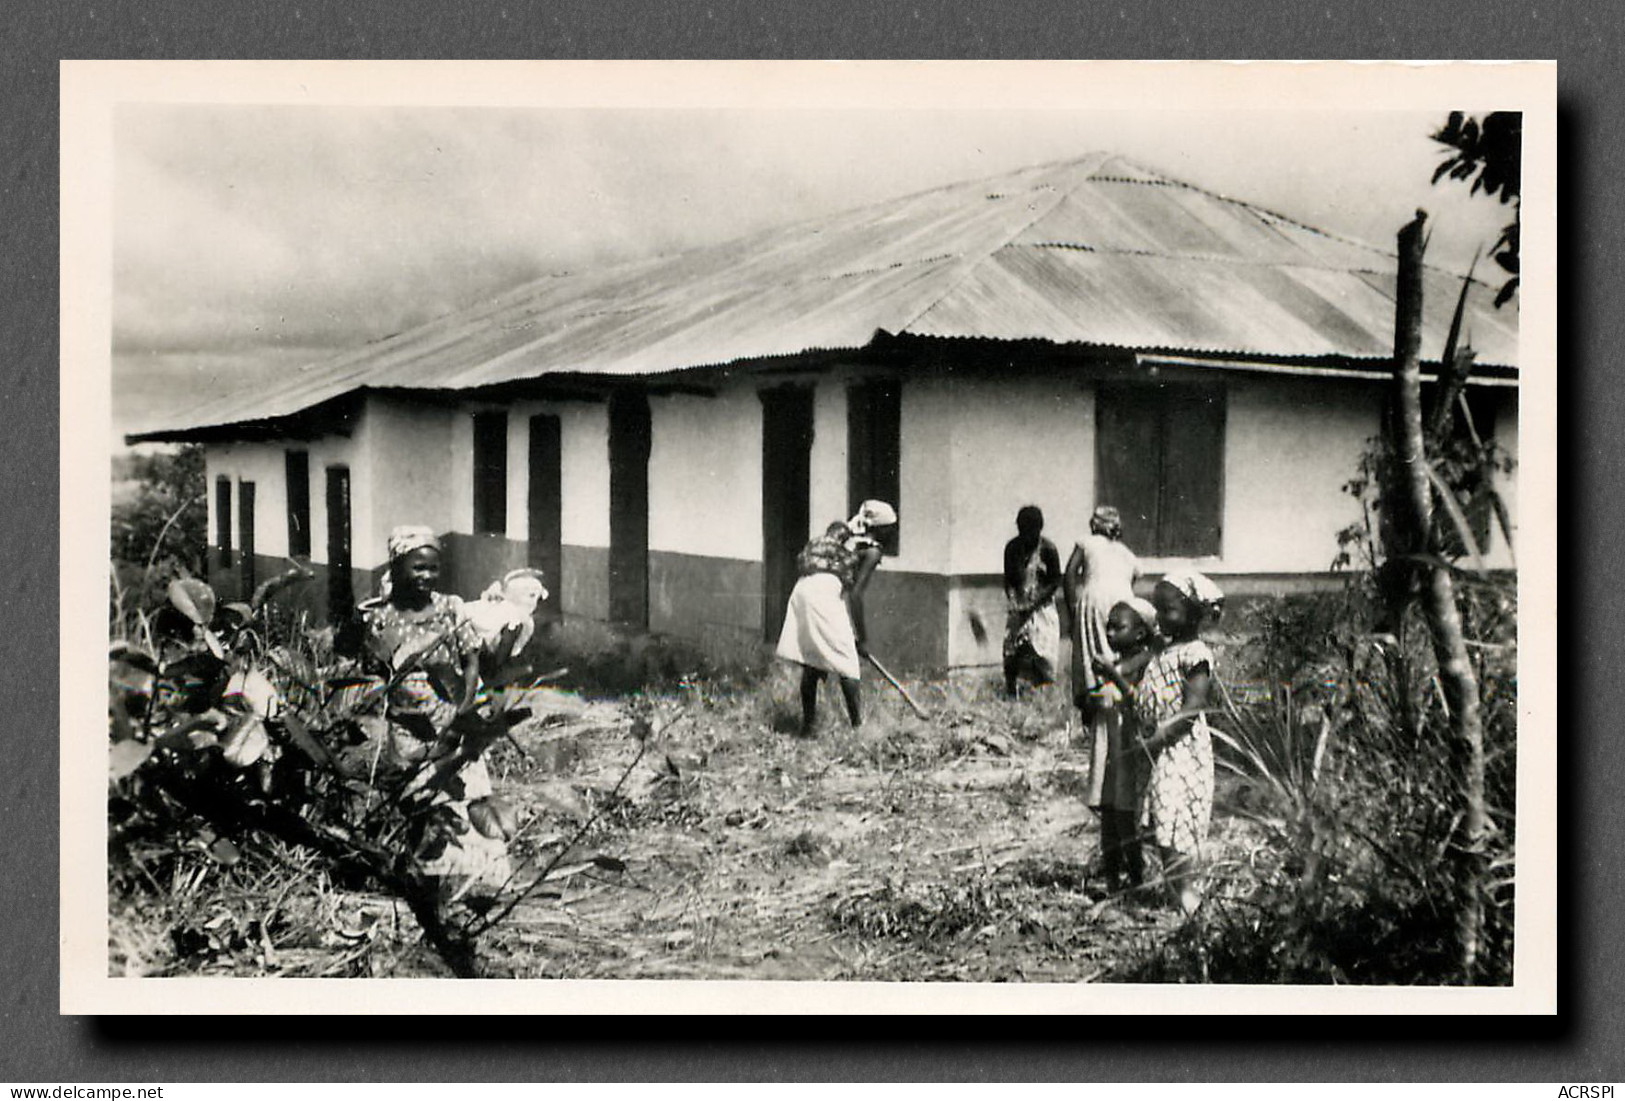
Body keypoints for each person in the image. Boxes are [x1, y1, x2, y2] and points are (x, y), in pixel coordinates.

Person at [356, 525, 510, 892]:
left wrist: (464, 708)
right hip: (406, 724)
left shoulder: (449, 609)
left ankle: (474, 881)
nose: (426, 576)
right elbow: (373, 671)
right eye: (417, 568)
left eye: (432, 569)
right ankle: (425, 881)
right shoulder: (381, 617)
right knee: (418, 798)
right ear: (396, 567)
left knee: (463, 793)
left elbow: (470, 661)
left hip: (449, 713)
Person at [1134, 568, 1225, 915]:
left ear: (1194, 614)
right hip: (1159, 749)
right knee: (1162, 819)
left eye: (1169, 611)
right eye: (1158, 610)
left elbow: (1192, 708)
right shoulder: (1165, 649)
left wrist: (1160, 733)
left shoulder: (1195, 655)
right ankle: (1178, 891)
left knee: (1175, 820)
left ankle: (1188, 894)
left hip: (1180, 750)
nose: (1161, 618)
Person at [775, 500, 898, 737]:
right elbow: (856, 594)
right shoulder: (872, 550)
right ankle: (858, 730)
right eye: (890, 527)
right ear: (880, 528)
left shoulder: (846, 536)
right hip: (824, 594)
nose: (893, 532)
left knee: (812, 661)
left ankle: (807, 727)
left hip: (803, 589)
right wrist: (861, 637)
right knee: (847, 663)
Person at [1063, 505, 1141, 809]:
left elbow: (1070, 575)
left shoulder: (1087, 543)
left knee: (1092, 655)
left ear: (1095, 526)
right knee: (1115, 653)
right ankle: (1113, 697)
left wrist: (1073, 609)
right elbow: (1131, 582)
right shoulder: (1127, 553)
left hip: (1094, 598)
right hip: (1123, 600)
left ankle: (1095, 704)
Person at [1088, 597, 1160, 894]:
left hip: (1128, 749)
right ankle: (1112, 880)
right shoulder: (1116, 664)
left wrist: (1113, 676)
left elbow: (1140, 703)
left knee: (1125, 815)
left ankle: (1136, 878)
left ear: (1140, 633)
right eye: (1108, 628)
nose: (1110, 634)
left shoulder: (1145, 665)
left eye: (1118, 628)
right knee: (1108, 813)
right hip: (1108, 749)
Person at [1001, 506, 1063, 698]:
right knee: (1012, 650)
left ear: (1039, 528)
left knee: (1043, 651)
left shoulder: (1048, 550)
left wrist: (1034, 603)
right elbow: (1009, 580)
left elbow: (1054, 582)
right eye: (1022, 529)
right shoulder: (1012, 548)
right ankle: (1012, 693)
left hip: (1042, 607)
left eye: (1030, 530)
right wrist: (1013, 600)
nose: (1025, 535)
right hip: (1019, 606)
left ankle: (1043, 694)